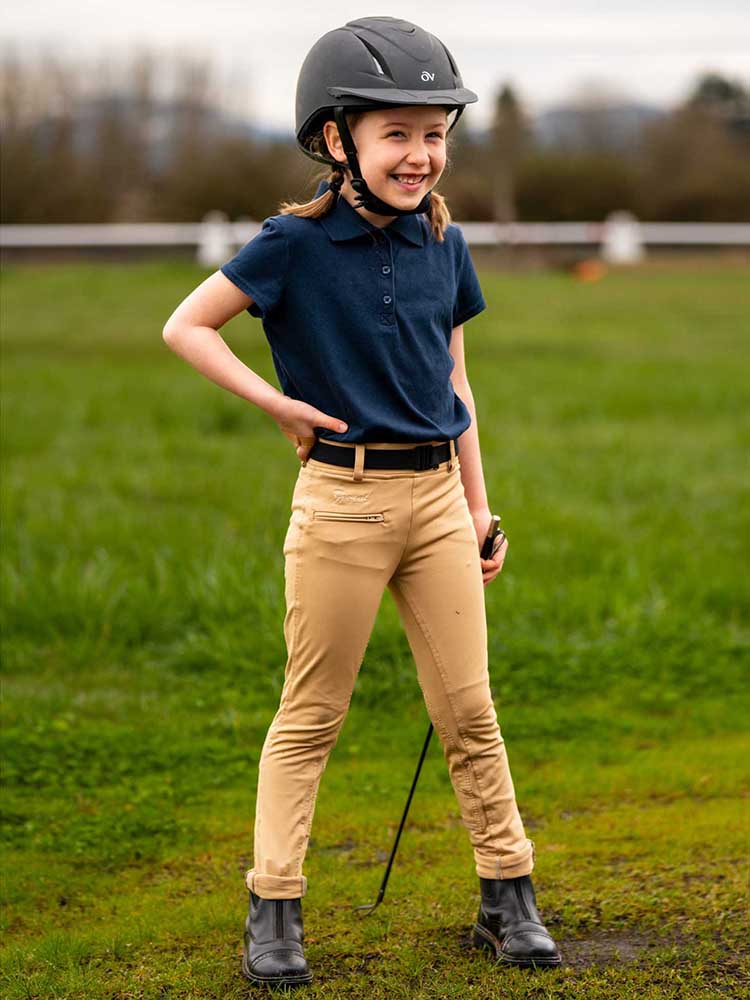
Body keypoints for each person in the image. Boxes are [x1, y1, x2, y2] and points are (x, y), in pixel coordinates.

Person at [162, 15, 561, 990]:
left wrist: (478, 507)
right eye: (397, 134)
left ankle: (508, 896)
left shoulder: (444, 242)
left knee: (470, 711)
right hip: (339, 504)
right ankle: (276, 908)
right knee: (312, 714)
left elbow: (455, 384)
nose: (420, 155)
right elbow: (186, 326)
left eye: (435, 134)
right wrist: (275, 403)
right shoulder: (290, 245)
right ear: (337, 140)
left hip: (435, 501)